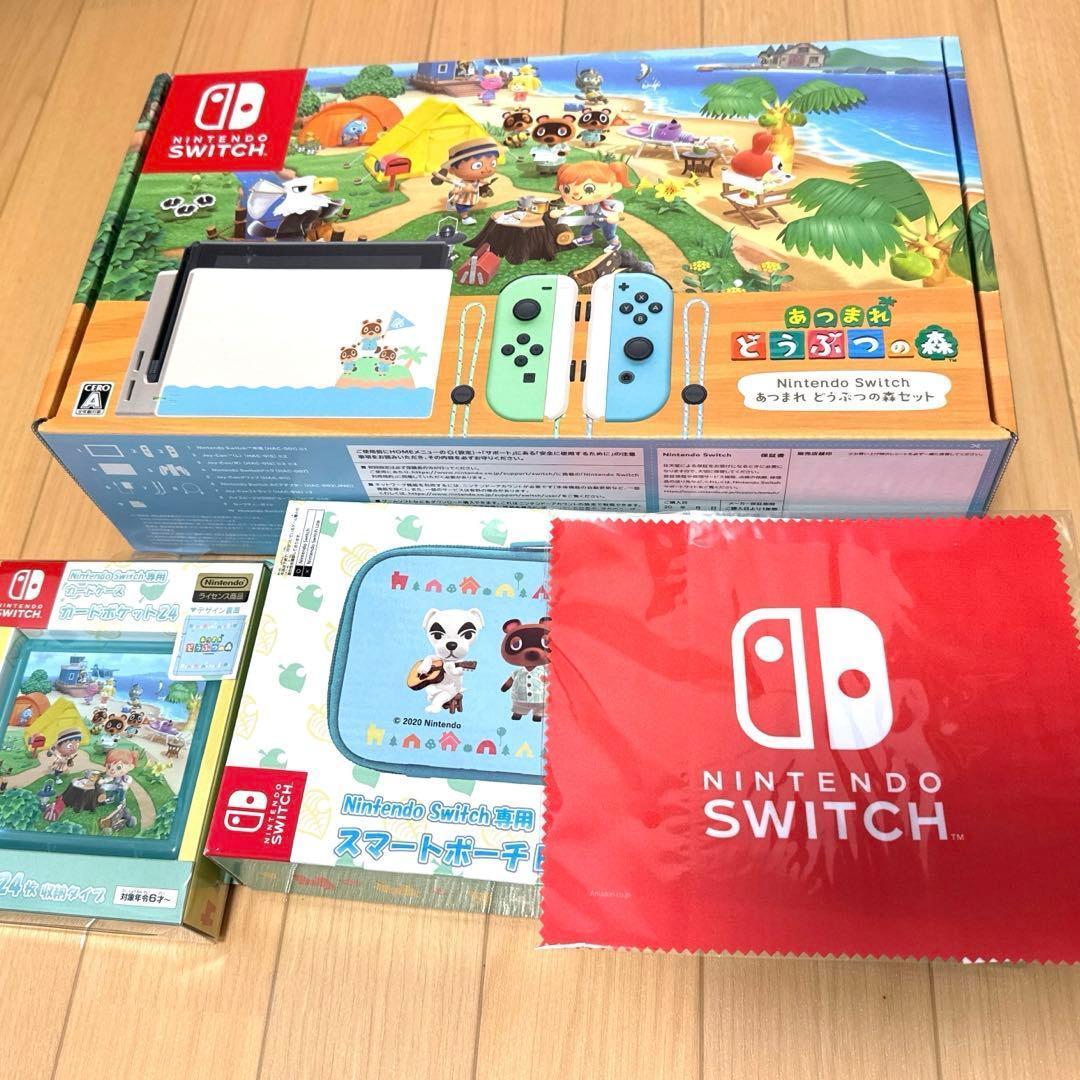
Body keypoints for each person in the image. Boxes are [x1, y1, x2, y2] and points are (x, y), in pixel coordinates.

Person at [551, 160, 631, 252]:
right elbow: (573, 207)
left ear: (615, 187)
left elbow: (618, 204)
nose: (576, 194)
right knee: (585, 230)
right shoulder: (585, 203)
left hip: (607, 222)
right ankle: (587, 239)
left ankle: (615, 244)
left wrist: (615, 215)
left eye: (589, 189)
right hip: (593, 220)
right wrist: (561, 211)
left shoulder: (604, 202)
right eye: (567, 189)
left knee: (609, 235)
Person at [431, 138, 500, 226]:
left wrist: (484, 184)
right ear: (452, 170)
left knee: (469, 205)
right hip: (463, 200)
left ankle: (452, 203)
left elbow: (480, 183)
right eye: (477, 165)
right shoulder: (463, 183)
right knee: (463, 208)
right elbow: (453, 188)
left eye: (492, 164)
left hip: (472, 199)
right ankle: (465, 218)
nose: (487, 169)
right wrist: (460, 191)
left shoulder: (476, 179)